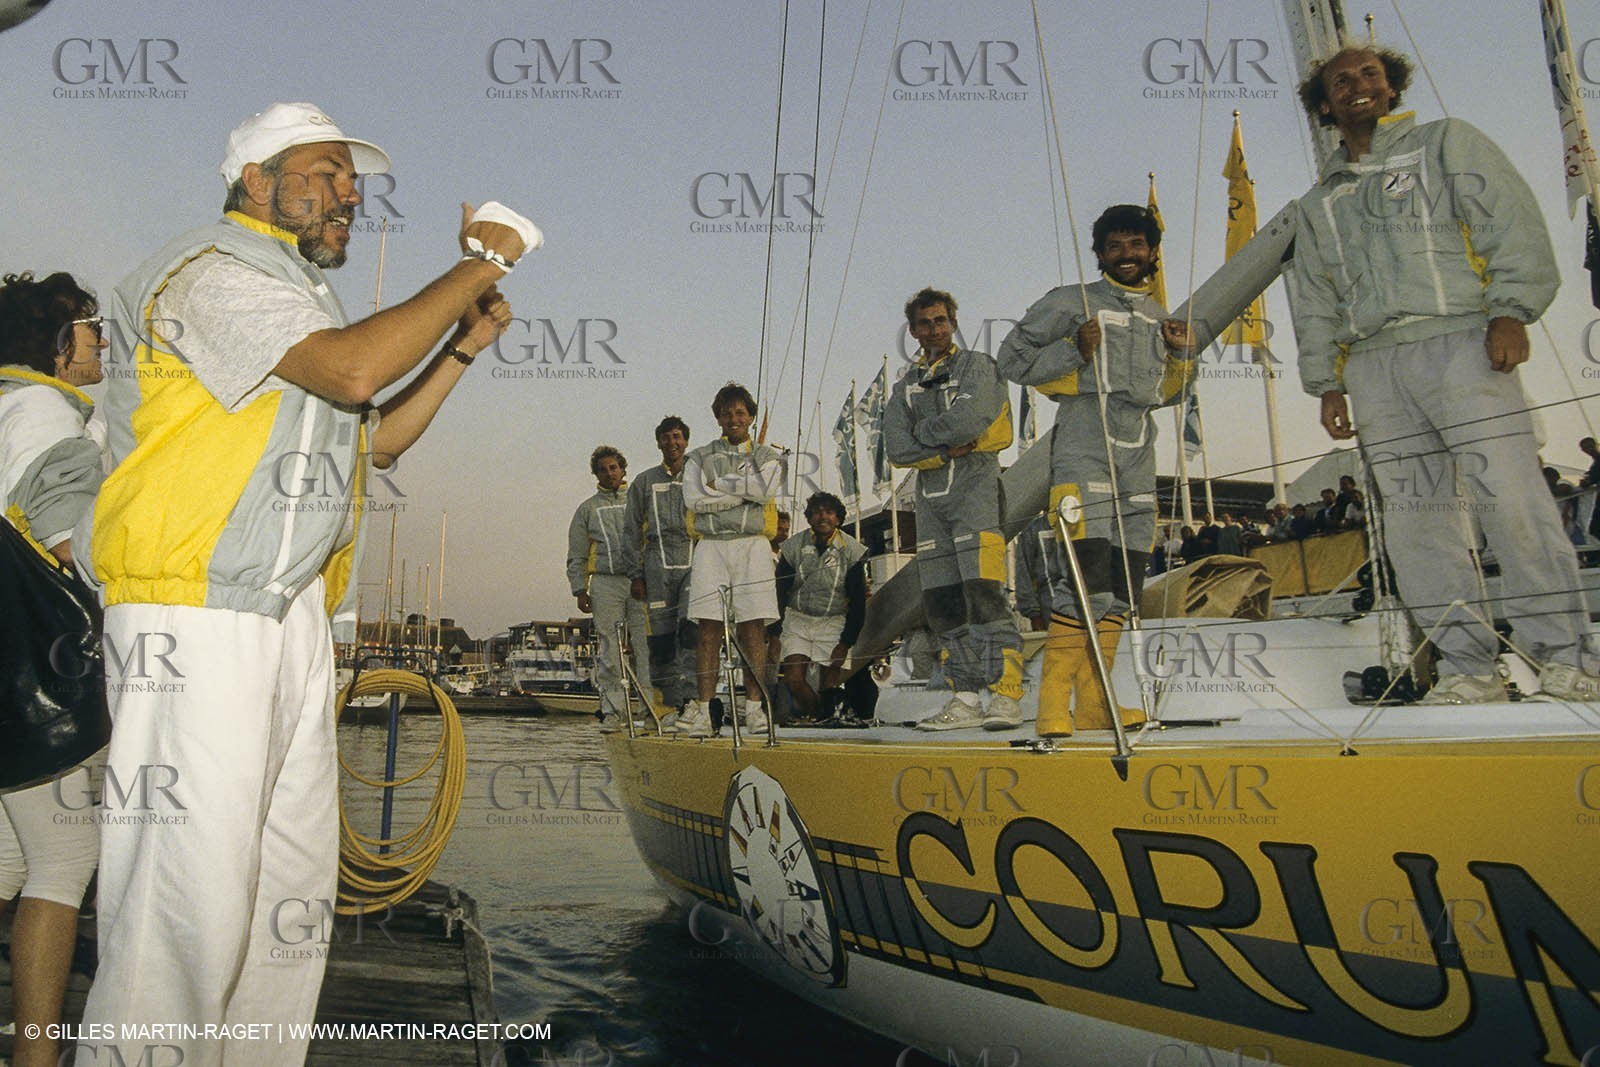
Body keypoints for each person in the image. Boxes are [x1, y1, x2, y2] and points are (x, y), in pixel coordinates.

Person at [77, 102, 529, 1064]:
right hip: (193, 616)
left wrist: (458, 348)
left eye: (352, 180)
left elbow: (379, 435)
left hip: (285, 623)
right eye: (325, 172)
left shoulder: (296, 302)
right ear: (255, 180)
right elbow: (357, 371)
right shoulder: (210, 273)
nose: (351, 193)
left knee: (288, 896)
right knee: (184, 900)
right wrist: (481, 264)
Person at [1293, 46, 1600, 703]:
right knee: (1416, 523)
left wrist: (1511, 310)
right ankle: (1469, 668)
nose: (1358, 87)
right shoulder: (1319, 202)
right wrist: (1326, 381)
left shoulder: (1445, 144)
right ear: (1324, 104)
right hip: (1375, 364)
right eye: (1340, 82)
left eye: (1370, 75)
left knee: (1512, 501)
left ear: (1392, 86)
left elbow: (1507, 224)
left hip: (1462, 341)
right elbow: (1314, 297)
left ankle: (1571, 661)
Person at [997, 207, 1194, 735]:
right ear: (1100, 254)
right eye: (1114, 247)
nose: (1126, 255)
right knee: (1084, 580)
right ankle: (1051, 706)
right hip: (1083, 452)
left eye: (1136, 245)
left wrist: (1180, 355)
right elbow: (1010, 361)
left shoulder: (1158, 314)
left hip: (1137, 458)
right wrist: (1071, 350)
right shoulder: (1069, 303)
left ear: (1153, 251)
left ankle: (1095, 704)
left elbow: (1168, 394)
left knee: (1123, 588)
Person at [0, 272, 106, 1067]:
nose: (100, 338)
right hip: (38, 676)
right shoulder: (46, 412)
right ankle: (36, 1060)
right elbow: (72, 544)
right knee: (64, 864)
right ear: (57, 344)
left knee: (6, 862)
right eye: (89, 325)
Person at [887, 287, 1024, 731]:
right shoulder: (905, 386)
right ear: (913, 331)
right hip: (930, 503)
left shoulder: (977, 366)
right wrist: (947, 449)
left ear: (953, 323)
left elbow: (970, 419)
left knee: (985, 594)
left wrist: (923, 432)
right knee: (943, 604)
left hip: (977, 491)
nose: (934, 329)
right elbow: (896, 448)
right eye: (924, 323)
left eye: (941, 320)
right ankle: (964, 698)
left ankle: (1006, 695)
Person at [675, 382, 783, 737]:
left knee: (753, 627)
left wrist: (718, 487)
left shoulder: (769, 456)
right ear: (718, 418)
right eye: (726, 413)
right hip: (711, 545)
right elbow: (693, 499)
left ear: (751, 417)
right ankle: (705, 711)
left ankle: (754, 709)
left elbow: (763, 490)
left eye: (740, 412)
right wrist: (740, 494)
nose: (733, 419)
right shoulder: (699, 456)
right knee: (707, 628)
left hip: (753, 545)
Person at [568, 445, 653, 728]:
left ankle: (650, 708)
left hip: (640, 580)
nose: (609, 473)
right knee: (610, 648)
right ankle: (613, 711)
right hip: (604, 582)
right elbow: (577, 553)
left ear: (623, 469)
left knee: (645, 645)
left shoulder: (640, 500)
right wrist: (580, 588)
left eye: (613, 467)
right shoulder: (587, 509)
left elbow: (653, 539)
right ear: (596, 474)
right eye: (603, 469)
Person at [621, 416, 696, 725]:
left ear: (686, 440)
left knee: (692, 632)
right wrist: (635, 574)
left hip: (695, 558)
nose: (672, 443)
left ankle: (694, 703)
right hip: (656, 563)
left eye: (677, 437)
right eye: (666, 438)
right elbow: (630, 530)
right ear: (658, 443)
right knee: (661, 640)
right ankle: (666, 707)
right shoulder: (644, 481)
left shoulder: (701, 476)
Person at [774, 491, 868, 719]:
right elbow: (778, 592)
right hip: (797, 619)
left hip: (834, 621)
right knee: (793, 680)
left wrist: (846, 642)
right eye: (816, 512)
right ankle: (822, 716)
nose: (822, 517)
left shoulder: (852, 550)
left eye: (829, 512)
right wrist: (774, 633)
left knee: (829, 685)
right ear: (808, 518)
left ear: (838, 518)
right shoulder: (793, 546)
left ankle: (826, 717)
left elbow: (857, 602)